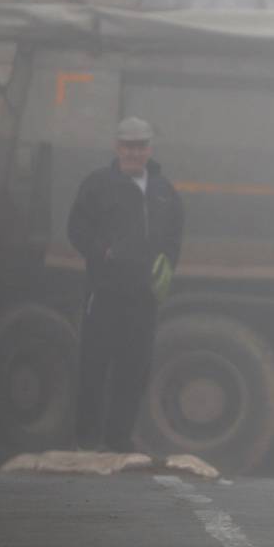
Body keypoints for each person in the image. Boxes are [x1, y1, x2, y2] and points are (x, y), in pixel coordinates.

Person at [66, 116, 184, 453]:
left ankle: (118, 439)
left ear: (150, 149)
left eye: (141, 146)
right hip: (104, 292)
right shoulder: (97, 184)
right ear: (117, 147)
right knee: (95, 364)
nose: (134, 152)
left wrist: (167, 264)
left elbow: (176, 233)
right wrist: (102, 250)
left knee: (133, 368)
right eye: (128, 146)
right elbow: (76, 229)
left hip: (143, 295)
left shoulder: (164, 191)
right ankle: (86, 439)